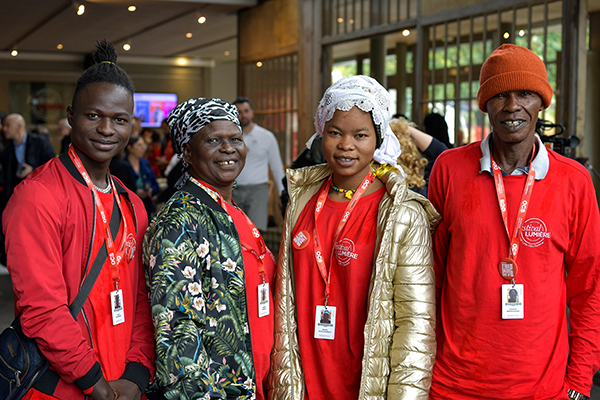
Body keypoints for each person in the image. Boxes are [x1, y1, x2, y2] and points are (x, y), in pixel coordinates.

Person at [428, 44, 600, 399]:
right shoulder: (448, 169)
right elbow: (431, 275)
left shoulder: (574, 181)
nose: (512, 107)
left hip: (542, 388)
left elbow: (590, 289)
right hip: (452, 384)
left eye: (525, 94)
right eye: (499, 95)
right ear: (485, 104)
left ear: (542, 102)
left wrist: (580, 382)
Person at [268, 75, 440, 399]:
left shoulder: (402, 214)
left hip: (368, 386)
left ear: (378, 138)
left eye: (360, 135)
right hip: (303, 384)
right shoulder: (301, 201)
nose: (346, 145)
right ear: (322, 133)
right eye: (335, 133)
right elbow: (284, 305)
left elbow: (415, 324)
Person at [2, 40, 155, 400]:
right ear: (71, 116)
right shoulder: (37, 197)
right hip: (64, 385)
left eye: (119, 120)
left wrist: (136, 374)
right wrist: (92, 381)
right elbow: (41, 309)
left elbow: (141, 298)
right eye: (93, 116)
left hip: (123, 382)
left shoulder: (132, 204)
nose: (107, 129)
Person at [144, 98, 276, 400]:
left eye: (235, 139)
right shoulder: (181, 221)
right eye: (213, 140)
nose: (228, 149)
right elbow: (176, 329)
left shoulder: (232, 211)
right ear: (187, 151)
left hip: (254, 383)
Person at [232, 97, 285, 233]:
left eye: (246, 111)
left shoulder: (266, 137)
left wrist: (282, 194)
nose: (243, 115)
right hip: (232, 190)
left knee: (256, 233)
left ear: (252, 113)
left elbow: (277, 167)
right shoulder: (228, 137)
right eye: (239, 112)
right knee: (234, 233)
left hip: (258, 192)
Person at [1, 113, 55, 209]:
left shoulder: (40, 143)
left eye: (8, 125)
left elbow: (52, 165)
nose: (4, 129)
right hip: (17, 197)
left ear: (19, 126)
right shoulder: (6, 151)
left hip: (40, 195)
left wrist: (33, 169)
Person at [124, 135, 159, 217]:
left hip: (146, 207)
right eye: (139, 145)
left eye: (143, 145)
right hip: (129, 208)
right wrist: (135, 192)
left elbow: (156, 185)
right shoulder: (123, 165)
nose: (143, 148)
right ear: (130, 148)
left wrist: (151, 190)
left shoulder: (145, 163)